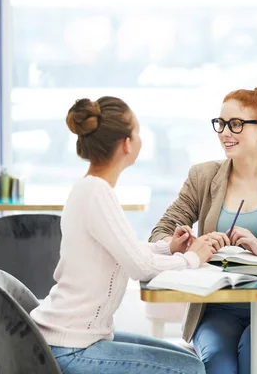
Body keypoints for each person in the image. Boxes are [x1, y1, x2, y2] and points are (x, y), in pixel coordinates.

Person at [30, 96, 214, 374]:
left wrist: (170, 249)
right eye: (137, 132)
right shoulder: (97, 193)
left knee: (191, 361)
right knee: (191, 370)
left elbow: (123, 249)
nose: (140, 139)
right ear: (127, 144)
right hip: (71, 347)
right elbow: (141, 267)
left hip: (71, 338)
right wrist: (192, 258)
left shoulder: (90, 189)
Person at [149, 86, 257, 374]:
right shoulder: (202, 176)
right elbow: (160, 233)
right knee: (218, 360)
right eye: (221, 124)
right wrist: (187, 245)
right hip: (218, 307)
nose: (225, 133)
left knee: (255, 347)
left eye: (236, 124)